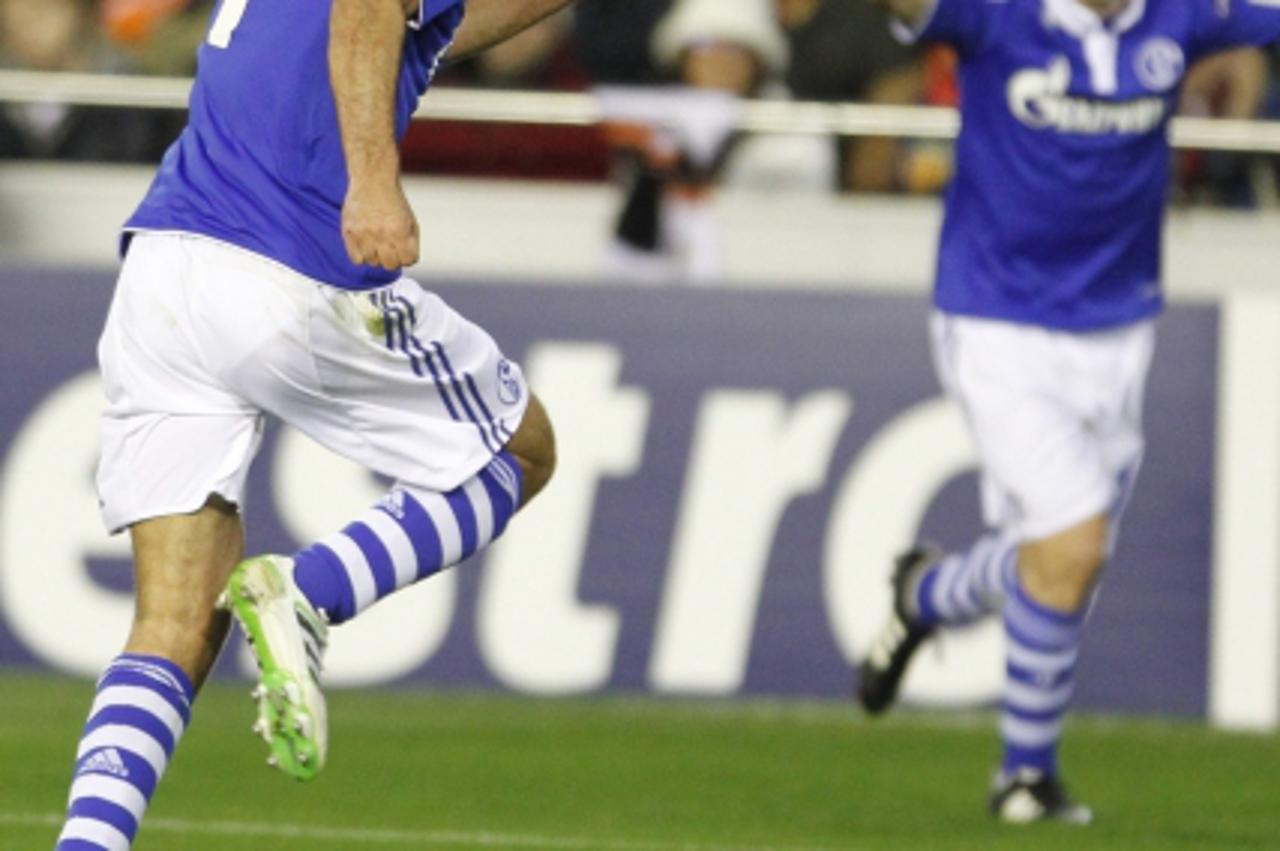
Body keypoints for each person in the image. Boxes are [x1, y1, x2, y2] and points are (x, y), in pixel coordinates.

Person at [53, 0, 568, 848]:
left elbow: (435, 21)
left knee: (173, 621)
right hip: (289, 254)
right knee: (519, 447)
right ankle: (311, 591)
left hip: (168, 262)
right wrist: (372, 181)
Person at [855, 0, 1280, 825]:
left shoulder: (1186, 17)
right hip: (997, 322)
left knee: (1060, 558)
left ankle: (928, 595)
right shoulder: (996, 14)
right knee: (1073, 539)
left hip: (1119, 329)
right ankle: (1023, 778)